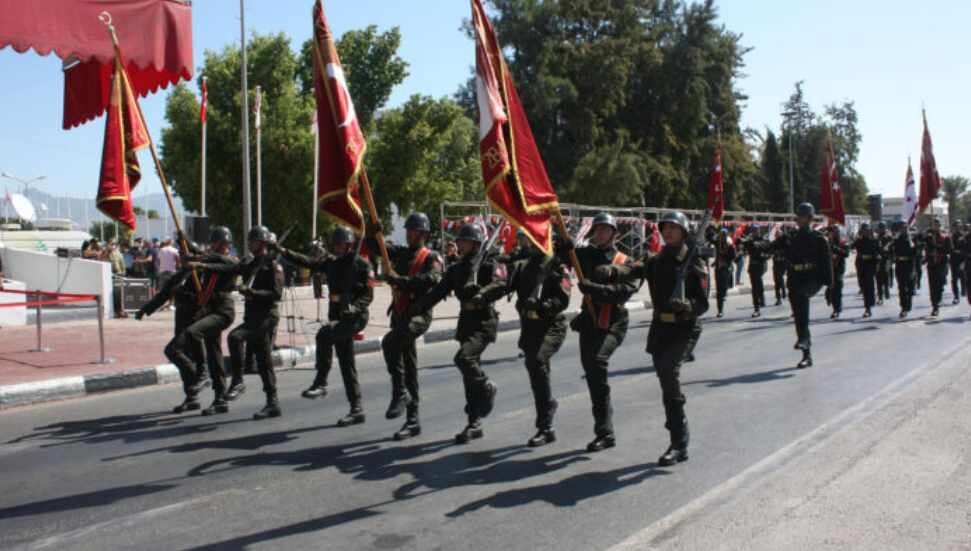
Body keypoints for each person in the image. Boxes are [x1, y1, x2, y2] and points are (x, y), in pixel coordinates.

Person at [618, 211, 708, 465]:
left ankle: (679, 442)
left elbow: (702, 304)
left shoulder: (694, 262)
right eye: (664, 227)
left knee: (669, 372)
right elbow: (633, 270)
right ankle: (675, 415)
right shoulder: (657, 260)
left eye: (673, 227)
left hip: (684, 328)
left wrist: (686, 306)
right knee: (664, 378)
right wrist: (612, 272)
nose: (667, 231)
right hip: (660, 329)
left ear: (683, 231)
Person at [274, 226, 374, 426]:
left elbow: (368, 294)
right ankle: (357, 409)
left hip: (356, 317)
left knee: (324, 335)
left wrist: (355, 307)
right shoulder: (331, 263)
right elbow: (308, 262)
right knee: (347, 364)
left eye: (340, 245)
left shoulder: (361, 264)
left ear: (348, 244)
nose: (337, 248)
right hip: (337, 316)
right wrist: (284, 251)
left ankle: (320, 382)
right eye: (334, 245)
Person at [414, 223, 504, 444]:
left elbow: (500, 283)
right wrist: (417, 306)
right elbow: (439, 291)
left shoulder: (488, 262)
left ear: (475, 243)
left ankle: (486, 386)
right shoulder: (456, 269)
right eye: (459, 240)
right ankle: (474, 423)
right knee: (468, 375)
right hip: (466, 323)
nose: (459, 244)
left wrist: (481, 295)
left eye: (464, 240)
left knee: (464, 358)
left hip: (484, 321)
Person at [557, 213, 637, 452]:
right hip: (590, 320)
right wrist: (563, 245)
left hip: (613, 320)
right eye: (598, 229)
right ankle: (604, 430)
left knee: (597, 361)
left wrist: (596, 289)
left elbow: (626, 290)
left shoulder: (624, 259)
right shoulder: (585, 254)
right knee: (593, 375)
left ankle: (605, 431)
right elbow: (561, 260)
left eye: (605, 229)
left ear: (614, 233)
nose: (600, 233)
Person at [195, 226, 285, 419]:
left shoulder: (273, 265)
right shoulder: (250, 263)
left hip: (266, 316)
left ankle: (238, 380)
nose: (249, 245)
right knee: (263, 361)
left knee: (235, 337)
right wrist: (204, 266)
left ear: (262, 243)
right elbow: (230, 268)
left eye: (252, 241)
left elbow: (276, 295)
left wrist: (253, 293)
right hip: (252, 317)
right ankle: (273, 402)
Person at [368, 213, 443, 441]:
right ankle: (413, 421)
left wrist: (398, 280)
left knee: (390, 342)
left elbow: (431, 280)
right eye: (408, 229)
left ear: (423, 234)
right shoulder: (401, 252)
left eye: (413, 230)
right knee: (409, 368)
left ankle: (400, 392)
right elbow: (376, 246)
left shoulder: (432, 257)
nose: (409, 233)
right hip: (400, 315)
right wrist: (374, 230)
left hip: (418, 315)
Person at [501, 234, 571, 447]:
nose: (534, 243)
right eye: (532, 239)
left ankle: (545, 425)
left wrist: (542, 306)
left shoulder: (557, 265)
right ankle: (547, 408)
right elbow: (506, 286)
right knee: (537, 372)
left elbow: (563, 299)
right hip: (530, 327)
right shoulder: (524, 265)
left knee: (537, 360)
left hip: (551, 325)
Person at [174, 226, 239, 415]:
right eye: (221, 243)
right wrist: (183, 241)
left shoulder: (230, 261)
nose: (224, 246)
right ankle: (219, 398)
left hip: (221, 311)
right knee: (214, 355)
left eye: (226, 243)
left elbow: (213, 261)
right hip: (209, 310)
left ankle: (209, 383)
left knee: (203, 343)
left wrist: (199, 263)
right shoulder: (211, 255)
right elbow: (202, 254)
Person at [136, 266, 206, 412]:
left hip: (196, 321)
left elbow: (204, 298)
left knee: (173, 351)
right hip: (181, 319)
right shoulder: (180, 275)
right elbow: (163, 295)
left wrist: (182, 294)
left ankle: (200, 377)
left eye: (186, 254)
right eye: (181, 254)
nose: (183, 257)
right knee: (184, 358)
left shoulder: (200, 273)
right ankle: (192, 398)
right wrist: (145, 309)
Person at [783, 204, 833, 369]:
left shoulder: (819, 239)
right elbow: (774, 247)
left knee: (802, 299)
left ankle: (804, 341)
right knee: (799, 315)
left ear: (810, 219)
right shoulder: (792, 236)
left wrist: (829, 287)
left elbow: (827, 264)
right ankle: (806, 353)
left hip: (812, 279)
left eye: (802, 216)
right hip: (795, 279)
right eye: (797, 216)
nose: (798, 219)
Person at [924, 218, 951, 317]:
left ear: (940, 226)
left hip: (941, 264)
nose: (936, 227)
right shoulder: (929, 237)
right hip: (932, 265)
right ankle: (935, 306)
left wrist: (938, 248)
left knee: (939, 285)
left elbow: (949, 250)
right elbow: (923, 245)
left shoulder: (945, 238)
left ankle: (938, 301)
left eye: (937, 225)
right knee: (932, 286)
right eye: (934, 225)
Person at [853, 223, 880, 318]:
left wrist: (875, 264)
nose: (865, 232)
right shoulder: (858, 241)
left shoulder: (874, 241)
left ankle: (868, 307)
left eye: (866, 230)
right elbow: (851, 247)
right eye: (863, 230)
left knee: (869, 286)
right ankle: (867, 305)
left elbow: (877, 253)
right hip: (861, 265)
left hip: (869, 265)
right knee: (863, 286)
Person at [891, 221, 916, 318]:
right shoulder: (897, 239)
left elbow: (916, 252)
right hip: (900, 265)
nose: (904, 229)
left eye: (905, 227)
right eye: (902, 228)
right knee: (901, 288)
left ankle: (908, 304)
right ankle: (903, 308)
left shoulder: (911, 239)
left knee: (909, 289)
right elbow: (891, 250)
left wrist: (913, 244)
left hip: (909, 265)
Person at [742, 225, 768, 317]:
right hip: (752, 266)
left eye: (755, 231)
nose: (754, 232)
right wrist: (745, 240)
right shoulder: (749, 241)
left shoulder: (762, 240)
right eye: (753, 231)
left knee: (758, 285)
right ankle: (756, 308)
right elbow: (743, 247)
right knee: (754, 287)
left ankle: (761, 299)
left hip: (760, 265)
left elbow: (766, 250)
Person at [826, 226, 850, 319]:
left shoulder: (843, 242)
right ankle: (832, 301)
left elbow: (846, 253)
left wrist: (834, 247)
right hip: (829, 269)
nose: (832, 234)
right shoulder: (826, 242)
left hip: (839, 268)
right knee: (830, 290)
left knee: (837, 289)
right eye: (830, 232)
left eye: (834, 232)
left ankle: (837, 309)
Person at [712, 228, 736, 318]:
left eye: (723, 235)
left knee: (723, 288)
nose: (721, 237)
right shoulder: (718, 244)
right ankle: (720, 310)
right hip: (718, 269)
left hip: (725, 268)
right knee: (719, 290)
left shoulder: (730, 245)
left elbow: (733, 256)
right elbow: (710, 238)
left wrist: (726, 262)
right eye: (720, 235)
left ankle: (723, 297)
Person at [771, 227, 790, 305]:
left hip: (783, 263)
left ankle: (784, 293)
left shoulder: (785, 242)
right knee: (777, 280)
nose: (777, 236)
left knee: (780, 278)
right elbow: (770, 251)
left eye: (778, 234)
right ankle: (779, 297)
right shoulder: (774, 243)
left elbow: (788, 251)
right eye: (776, 234)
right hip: (776, 263)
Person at [875, 222, 893, 305]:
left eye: (882, 228)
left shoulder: (889, 238)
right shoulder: (875, 238)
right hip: (878, 260)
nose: (881, 229)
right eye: (880, 228)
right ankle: (880, 297)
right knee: (878, 278)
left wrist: (891, 258)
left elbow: (892, 249)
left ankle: (886, 288)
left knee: (886, 274)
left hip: (886, 259)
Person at [949, 222, 965, 304]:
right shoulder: (950, 237)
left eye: (958, 226)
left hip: (962, 260)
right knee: (954, 279)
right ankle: (956, 296)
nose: (956, 228)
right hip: (953, 261)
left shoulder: (964, 237)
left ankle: (963, 289)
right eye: (955, 226)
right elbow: (948, 249)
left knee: (963, 277)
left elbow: (966, 249)